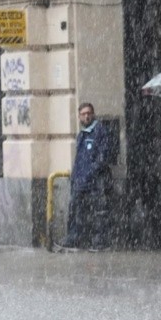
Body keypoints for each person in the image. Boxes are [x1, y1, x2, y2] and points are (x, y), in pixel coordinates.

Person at [57, 102, 113, 252]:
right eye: (83, 114)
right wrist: (75, 178)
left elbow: (102, 158)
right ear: (79, 116)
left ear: (93, 114)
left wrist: (91, 173)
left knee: (98, 213)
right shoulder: (82, 134)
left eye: (89, 113)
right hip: (81, 182)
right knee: (76, 210)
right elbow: (80, 159)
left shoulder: (100, 131)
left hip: (96, 182)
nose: (86, 116)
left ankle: (99, 242)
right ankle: (75, 238)